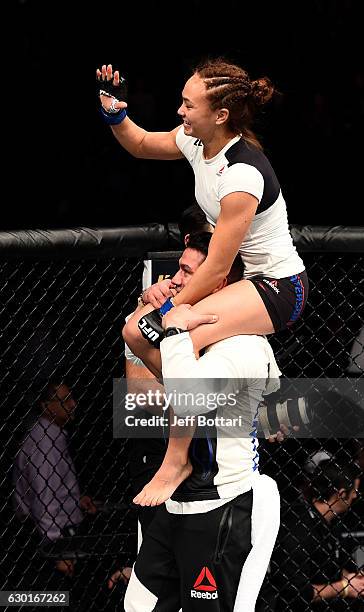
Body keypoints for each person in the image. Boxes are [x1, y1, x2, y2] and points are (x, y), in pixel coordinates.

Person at [97, 58, 309, 502]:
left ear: (220, 115)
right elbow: (139, 143)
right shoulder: (198, 143)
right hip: (241, 281)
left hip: (277, 287)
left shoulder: (243, 174)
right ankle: (203, 408)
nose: (179, 111)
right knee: (136, 332)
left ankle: (177, 460)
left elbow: (214, 268)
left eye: (188, 105)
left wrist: (172, 310)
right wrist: (116, 114)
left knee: (174, 334)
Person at [123, 291, 282, 610]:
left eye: (187, 272)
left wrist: (175, 333)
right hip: (179, 501)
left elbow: (186, 397)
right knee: (140, 606)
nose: (177, 282)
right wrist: (147, 304)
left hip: (224, 502)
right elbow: (133, 337)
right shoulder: (179, 326)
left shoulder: (243, 344)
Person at [12, 379, 97, 577]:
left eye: (71, 398)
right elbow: (44, 500)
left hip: (61, 533)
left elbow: (54, 488)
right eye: (64, 400)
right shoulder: (44, 444)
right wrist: (57, 551)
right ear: (46, 406)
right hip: (53, 540)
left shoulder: (52, 436)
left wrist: (75, 501)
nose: (73, 404)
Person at [270, 460, 364, 611]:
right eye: (354, 492)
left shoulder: (328, 523)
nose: (355, 497)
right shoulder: (299, 527)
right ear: (341, 494)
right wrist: (345, 587)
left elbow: (327, 569)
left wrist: (353, 580)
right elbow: (295, 592)